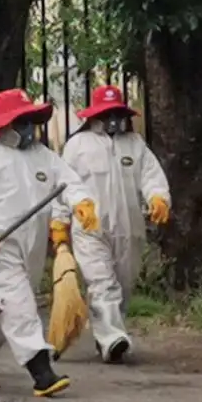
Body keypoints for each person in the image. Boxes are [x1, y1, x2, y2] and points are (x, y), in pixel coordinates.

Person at [0, 89, 98, 398]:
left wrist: (81, 201)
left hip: (31, 247)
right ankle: (41, 371)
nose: (29, 127)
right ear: (4, 123)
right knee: (20, 306)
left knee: (2, 306)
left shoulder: (41, 155)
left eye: (30, 120)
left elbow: (68, 180)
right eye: (22, 121)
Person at [61, 85, 170, 364]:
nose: (112, 119)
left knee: (123, 285)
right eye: (106, 113)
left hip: (129, 227)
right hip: (90, 229)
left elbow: (151, 176)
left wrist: (158, 197)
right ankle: (112, 338)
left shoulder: (135, 144)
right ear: (94, 115)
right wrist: (60, 222)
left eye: (116, 113)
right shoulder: (77, 146)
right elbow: (61, 185)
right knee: (102, 283)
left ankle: (108, 335)